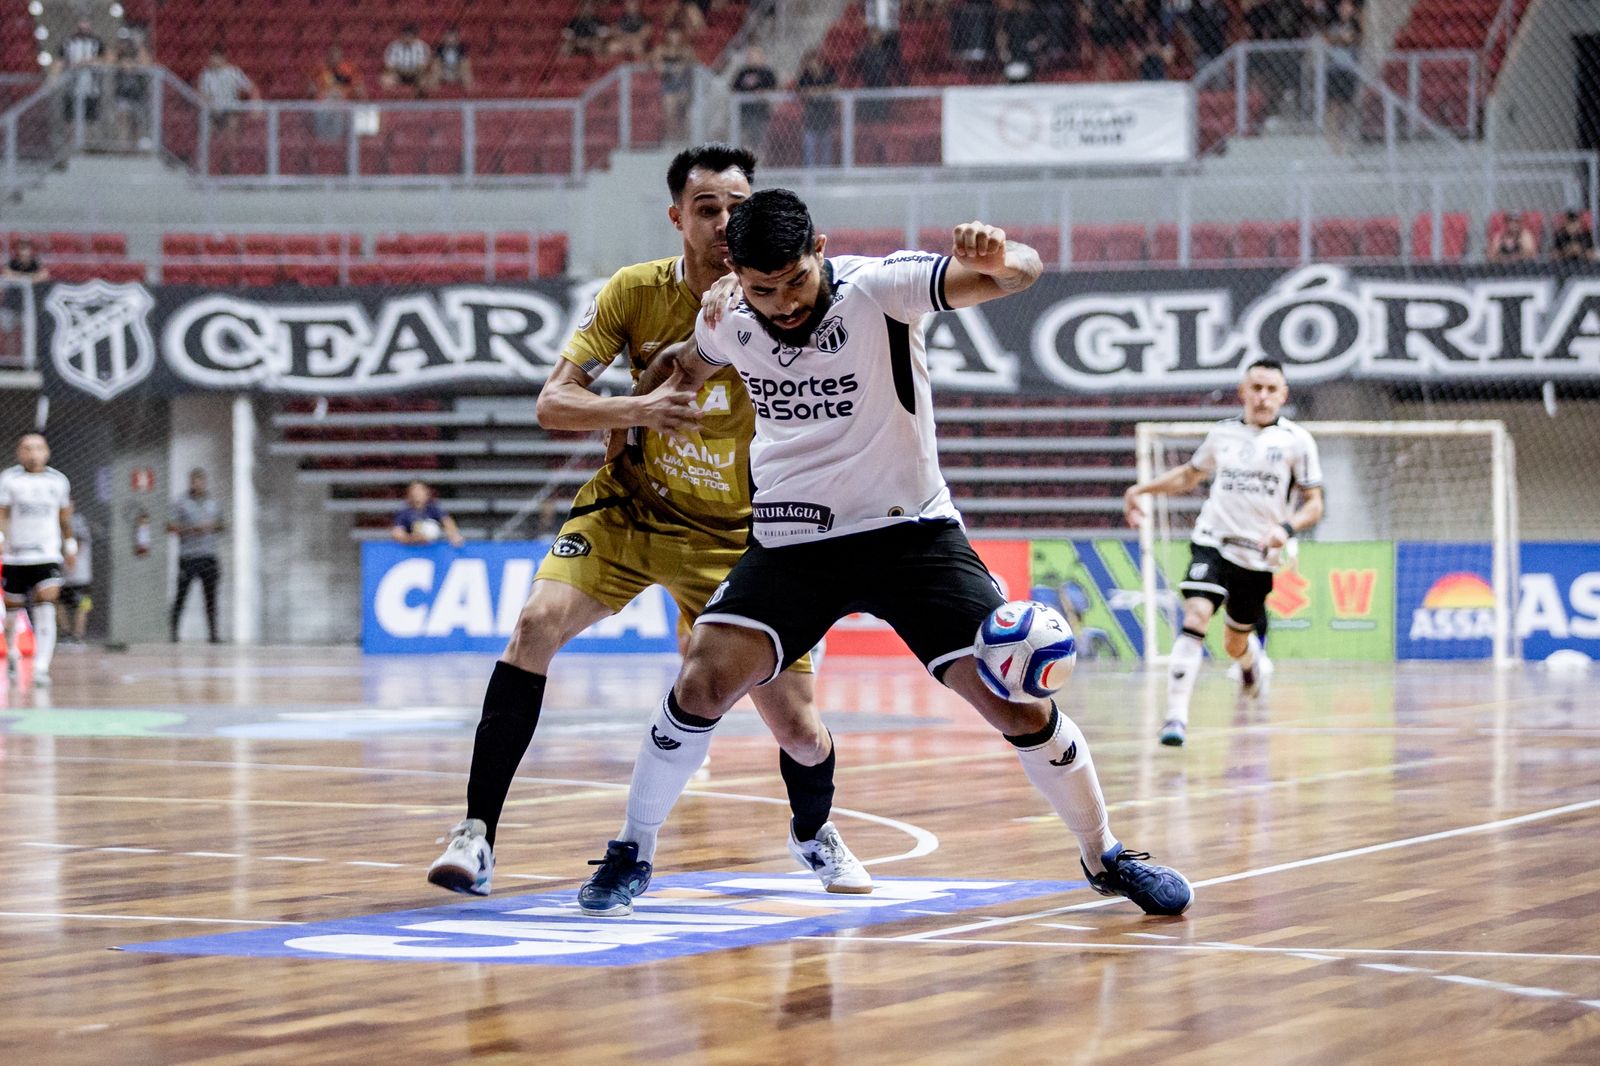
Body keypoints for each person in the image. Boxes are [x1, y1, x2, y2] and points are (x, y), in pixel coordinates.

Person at [574, 189, 1192, 919]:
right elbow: (686, 362)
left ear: (822, 250)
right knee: (702, 680)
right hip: (793, 538)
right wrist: (629, 419)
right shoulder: (729, 317)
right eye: (762, 289)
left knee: (1016, 702)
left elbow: (1017, 274)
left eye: (796, 282)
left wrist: (1003, 257)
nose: (782, 304)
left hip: (911, 536)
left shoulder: (882, 288)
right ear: (737, 276)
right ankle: (631, 850)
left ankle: (1106, 855)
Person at [426, 145, 870, 901]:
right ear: (678, 218)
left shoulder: (785, 301)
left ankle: (813, 833)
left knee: (797, 727)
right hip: (632, 511)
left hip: (743, 537)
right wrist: (634, 409)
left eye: (738, 206)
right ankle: (476, 834)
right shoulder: (633, 293)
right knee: (534, 625)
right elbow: (551, 402)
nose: (726, 222)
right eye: (707, 209)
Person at [1121, 359, 1324, 747]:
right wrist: (1140, 490)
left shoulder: (1298, 442)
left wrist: (1285, 529)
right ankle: (1175, 718)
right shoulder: (1223, 434)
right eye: (1256, 388)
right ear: (1242, 392)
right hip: (1212, 540)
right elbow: (1189, 475)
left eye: (1271, 390)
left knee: (1234, 642)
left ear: (1283, 395)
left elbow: (1314, 504)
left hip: (1256, 555)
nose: (1263, 397)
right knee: (1196, 613)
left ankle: (1249, 666)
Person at [0, 434, 74, 686]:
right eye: (27, 448)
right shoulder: (9, 479)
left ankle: (41, 667)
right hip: (15, 555)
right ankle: (12, 652)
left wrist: (70, 544)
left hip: (46, 554)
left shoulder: (58, 481)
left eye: (38, 448)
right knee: (12, 610)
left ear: (47, 452)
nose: (33, 453)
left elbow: (64, 516)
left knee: (47, 602)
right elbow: (3, 513)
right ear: (19, 453)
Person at [168, 467, 224, 643]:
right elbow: (170, 526)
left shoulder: (213, 502)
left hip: (208, 555)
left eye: (199, 481)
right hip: (188, 556)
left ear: (204, 482)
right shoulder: (181, 502)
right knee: (181, 595)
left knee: (211, 597)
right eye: (193, 481)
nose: (196, 484)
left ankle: (213, 634)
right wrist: (190, 530)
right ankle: (174, 633)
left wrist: (210, 527)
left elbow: (222, 525)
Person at [55, 18, 105, 125]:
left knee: (90, 119)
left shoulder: (97, 42)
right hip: (71, 86)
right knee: (70, 119)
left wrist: (86, 62)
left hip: (91, 87)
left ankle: (87, 140)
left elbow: (105, 59)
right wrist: (55, 75)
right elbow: (59, 60)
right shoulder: (68, 42)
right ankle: (72, 141)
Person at [653, 27, 697, 142]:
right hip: (668, 85)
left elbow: (691, 63)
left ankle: (685, 138)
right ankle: (672, 138)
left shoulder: (686, 50)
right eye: (672, 34)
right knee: (669, 112)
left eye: (677, 35)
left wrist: (682, 66)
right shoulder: (661, 49)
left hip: (683, 85)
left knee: (683, 112)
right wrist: (667, 68)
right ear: (667, 36)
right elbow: (657, 65)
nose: (674, 38)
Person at [729, 45, 777, 151]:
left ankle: (759, 155)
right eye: (750, 55)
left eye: (755, 55)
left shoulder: (767, 72)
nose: (751, 58)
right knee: (745, 139)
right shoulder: (743, 72)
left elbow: (774, 88)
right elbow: (734, 88)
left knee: (760, 137)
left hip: (761, 111)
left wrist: (763, 93)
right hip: (745, 112)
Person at [197, 48, 258, 130]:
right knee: (206, 123)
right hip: (214, 110)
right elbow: (203, 94)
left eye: (215, 57)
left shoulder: (233, 72)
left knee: (232, 123)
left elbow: (252, 89)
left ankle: (232, 140)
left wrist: (256, 108)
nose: (212, 60)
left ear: (222, 58)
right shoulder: (206, 74)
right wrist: (210, 106)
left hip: (231, 109)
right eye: (210, 58)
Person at [391, 479, 465, 547]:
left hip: (433, 549)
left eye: (420, 490)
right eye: (414, 490)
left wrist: (454, 535)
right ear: (409, 493)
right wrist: (412, 538)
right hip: (412, 549)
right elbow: (397, 533)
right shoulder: (404, 512)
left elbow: (447, 521)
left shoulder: (433, 508)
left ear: (426, 492)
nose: (417, 493)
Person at [796, 52, 837, 168]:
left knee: (826, 147)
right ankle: (810, 171)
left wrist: (816, 92)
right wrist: (820, 92)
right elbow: (802, 91)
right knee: (810, 146)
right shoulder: (805, 76)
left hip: (826, 113)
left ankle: (825, 171)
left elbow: (833, 88)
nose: (812, 64)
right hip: (810, 115)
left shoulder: (829, 72)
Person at [59, 512, 92, 643]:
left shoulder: (77, 520)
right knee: (58, 602)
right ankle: (66, 633)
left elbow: (78, 541)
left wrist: (70, 555)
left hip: (80, 574)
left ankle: (78, 635)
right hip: (64, 574)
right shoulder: (57, 519)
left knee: (83, 604)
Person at [382, 24, 431, 94]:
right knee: (386, 81)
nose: (407, 39)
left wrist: (413, 71)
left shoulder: (422, 46)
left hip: (416, 74)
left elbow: (423, 65)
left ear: (415, 37)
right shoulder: (393, 46)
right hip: (398, 73)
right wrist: (400, 70)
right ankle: (395, 100)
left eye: (410, 36)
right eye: (405, 36)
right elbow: (389, 65)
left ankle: (420, 100)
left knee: (425, 81)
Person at [431, 27, 473, 92]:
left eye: (452, 38)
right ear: (444, 38)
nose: (450, 40)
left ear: (457, 39)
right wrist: (441, 69)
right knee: (435, 72)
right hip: (443, 71)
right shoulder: (439, 48)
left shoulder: (462, 48)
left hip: (457, 71)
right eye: (448, 37)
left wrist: (458, 70)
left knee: (466, 74)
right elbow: (436, 62)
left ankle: (469, 96)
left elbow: (465, 63)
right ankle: (436, 96)